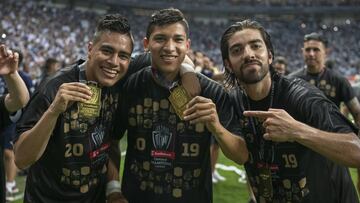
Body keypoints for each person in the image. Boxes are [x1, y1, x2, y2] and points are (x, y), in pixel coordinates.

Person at [202, 19, 360, 202]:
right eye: (237, 50)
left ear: (269, 56)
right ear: (228, 64)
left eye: (255, 46)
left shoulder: (301, 96)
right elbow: (240, 154)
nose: (248, 54)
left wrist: (297, 130)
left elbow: (356, 152)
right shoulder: (234, 101)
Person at [114, 8, 246, 203]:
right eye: (160, 39)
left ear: (187, 45)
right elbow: (111, 139)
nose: (169, 47)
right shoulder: (130, 83)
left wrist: (216, 127)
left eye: (177, 40)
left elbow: (241, 156)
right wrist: (113, 190)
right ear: (146, 44)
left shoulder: (212, 91)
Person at [14, 14, 134, 202]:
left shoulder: (117, 82)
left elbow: (109, 142)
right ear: (90, 49)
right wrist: (53, 111)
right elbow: (21, 159)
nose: (114, 61)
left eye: (123, 56)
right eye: (107, 51)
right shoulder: (53, 88)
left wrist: (112, 189)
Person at [288, 32, 360, 194]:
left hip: (333, 148)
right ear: (302, 51)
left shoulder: (338, 80)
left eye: (316, 49)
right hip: (302, 150)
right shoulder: (292, 80)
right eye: (307, 50)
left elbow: (356, 112)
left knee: (339, 193)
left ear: (326, 52)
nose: (311, 54)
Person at [0, 44, 30, 203]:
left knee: (9, 152)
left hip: (14, 120)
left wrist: (11, 74)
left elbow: (21, 100)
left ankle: (11, 182)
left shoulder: (23, 77)